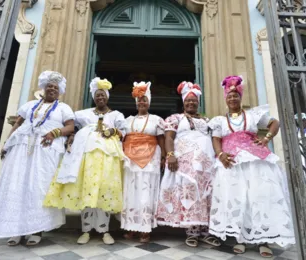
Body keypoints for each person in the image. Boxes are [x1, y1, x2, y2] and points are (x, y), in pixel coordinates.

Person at [208, 75, 295, 257]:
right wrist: (221, 154)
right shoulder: (220, 121)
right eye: (229, 96)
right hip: (232, 164)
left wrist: (266, 139)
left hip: (256, 162)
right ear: (225, 98)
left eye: (235, 95)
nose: (232, 98)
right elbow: (216, 140)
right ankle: (242, 239)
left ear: (240, 97)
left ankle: (263, 241)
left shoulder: (253, 115)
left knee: (259, 197)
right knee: (239, 199)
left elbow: (274, 123)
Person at [0, 71, 75, 246]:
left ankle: (36, 229)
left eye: (55, 87)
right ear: (43, 88)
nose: (52, 89)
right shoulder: (29, 105)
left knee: (38, 188)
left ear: (59, 91)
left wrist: (55, 132)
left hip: (45, 152)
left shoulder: (63, 108)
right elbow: (17, 123)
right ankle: (15, 230)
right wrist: (7, 142)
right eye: (49, 86)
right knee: (17, 185)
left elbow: (70, 127)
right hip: (21, 150)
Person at [43, 77, 126, 245]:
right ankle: (86, 230)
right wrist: (72, 138)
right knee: (87, 191)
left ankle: (104, 230)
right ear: (94, 97)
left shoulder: (116, 115)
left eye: (103, 95)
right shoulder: (83, 114)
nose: (100, 98)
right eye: (97, 95)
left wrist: (113, 131)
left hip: (108, 156)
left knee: (105, 191)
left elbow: (124, 134)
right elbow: (74, 129)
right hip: (86, 156)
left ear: (107, 97)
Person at [157, 82, 220, 248]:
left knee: (207, 192)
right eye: (188, 101)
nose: (191, 103)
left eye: (194, 101)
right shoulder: (176, 119)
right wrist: (170, 155)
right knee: (189, 193)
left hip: (206, 163)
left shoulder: (207, 121)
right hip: (185, 163)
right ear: (183, 102)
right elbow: (169, 138)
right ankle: (191, 231)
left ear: (198, 103)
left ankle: (206, 231)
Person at [121, 82, 166, 243]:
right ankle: (131, 226)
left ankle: (145, 228)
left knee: (147, 192)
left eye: (144, 100)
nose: (142, 102)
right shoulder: (127, 120)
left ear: (149, 102)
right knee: (131, 191)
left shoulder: (156, 120)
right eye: (139, 100)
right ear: (136, 102)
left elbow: (161, 139)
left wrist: (164, 157)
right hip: (130, 158)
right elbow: (121, 138)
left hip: (150, 157)